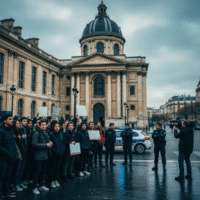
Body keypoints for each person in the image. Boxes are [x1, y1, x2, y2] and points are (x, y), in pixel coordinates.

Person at [32, 119, 53, 195]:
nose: (44, 126)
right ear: (39, 125)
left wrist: (50, 142)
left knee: (43, 172)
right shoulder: (36, 133)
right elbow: (34, 144)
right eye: (42, 125)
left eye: (45, 124)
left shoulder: (46, 133)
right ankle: (35, 187)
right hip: (38, 156)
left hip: (45, 155)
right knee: (37, 172)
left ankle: (41, 185)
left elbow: (47, 141)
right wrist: (46, 145)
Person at [0, 114, 18, 199]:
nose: (12, 121)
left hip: (11, 157)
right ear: (5, 121)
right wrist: (8, 153)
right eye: (10, 119)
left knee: (8, 176)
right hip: (4, 158)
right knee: (2, 176)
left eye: (12, 119)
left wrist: (14, 153)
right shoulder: (1, 130)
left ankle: (6, 192)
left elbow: (13, 144)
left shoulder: (11, 130)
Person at [49, 122, 65, 188]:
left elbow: (62, 143)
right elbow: (50, 145)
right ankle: (52, 181)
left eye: (58, 126)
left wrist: (62, 150)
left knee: (58, 167)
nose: (57, 127)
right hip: (54, 154)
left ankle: (56, 180)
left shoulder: (61, 134)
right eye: (55, 126)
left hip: (60, 153)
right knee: (53, 168)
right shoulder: (51, 134)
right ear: (53, 127)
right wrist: (55, 150)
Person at [11, 120, 23, 192]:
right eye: (17, 123)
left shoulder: (19, 131)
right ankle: (15, 184)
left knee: (19, 169)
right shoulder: (14, 132)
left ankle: (17, 183)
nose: (19, 124)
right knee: (16, 170)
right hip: (16, 154)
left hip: (20, 153)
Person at [18, 117, 28, 189]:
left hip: (25, 150)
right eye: (24, 121)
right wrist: (21, 138)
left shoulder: (24, 129)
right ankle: (16, 183)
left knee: (22, 168)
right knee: (18, 168)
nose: (25, 122)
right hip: (20, 151)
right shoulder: (19, 129)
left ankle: (20, 182)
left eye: (26, 121)